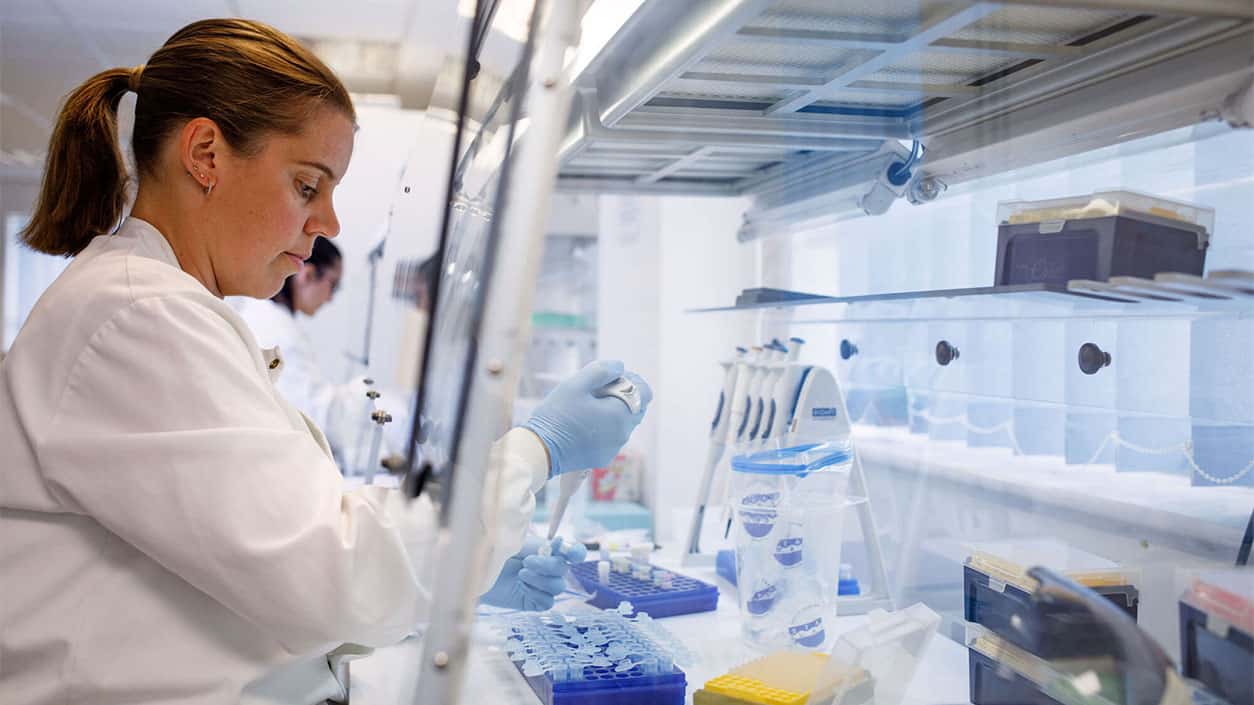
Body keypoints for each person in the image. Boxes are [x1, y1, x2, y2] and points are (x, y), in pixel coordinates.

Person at [0, 18, 651, 705]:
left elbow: (260, 574)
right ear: (205, 155)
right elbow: (336, 570)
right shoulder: (137, 318)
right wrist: (535, 451)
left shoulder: (155, 306)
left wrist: (469, 572)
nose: (329, 223)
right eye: (308, 186)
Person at [234, 236, 349, 444]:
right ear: (308, 275)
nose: (331, 298)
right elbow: (310, 415)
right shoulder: (278, 330)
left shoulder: (269, 316)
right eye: (334, 285)